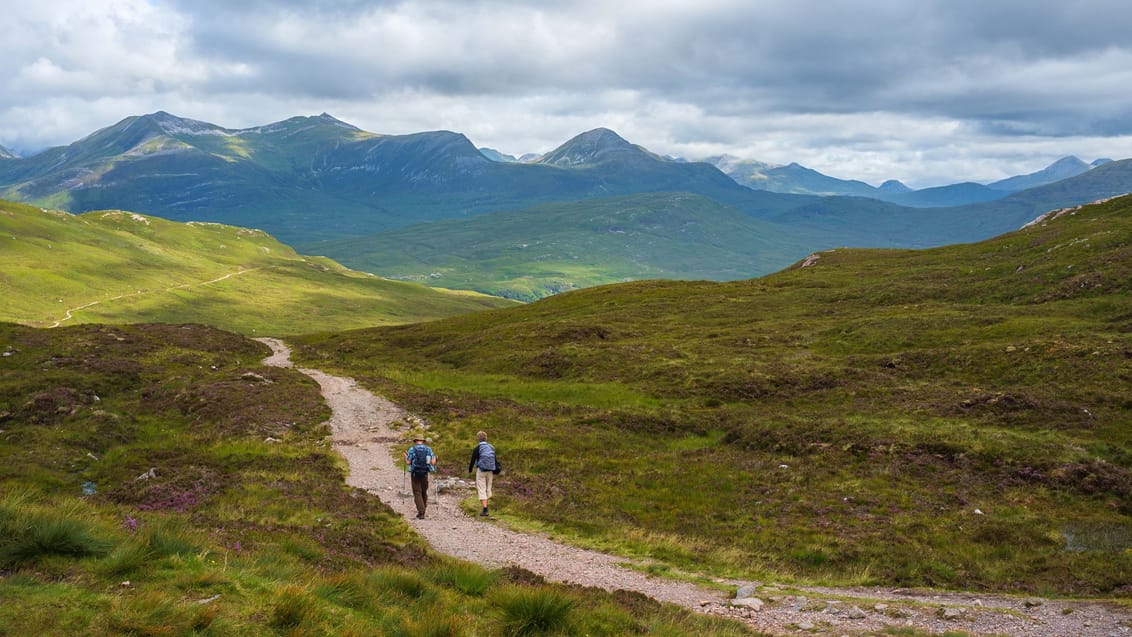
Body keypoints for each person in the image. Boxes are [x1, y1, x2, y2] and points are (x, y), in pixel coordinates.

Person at [405, 435, 436, 519]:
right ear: (423, 441)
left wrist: (405, 456)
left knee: (417, 492)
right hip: (425, 472)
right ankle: (423, 508)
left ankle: (421, 512)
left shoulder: (412, 449)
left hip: (415, 473)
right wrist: (436, 458)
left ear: (415, 441)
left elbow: (408, 462)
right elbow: (433, 462)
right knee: (423, 491)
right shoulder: (428, 449)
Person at [467, 430, 497, 516]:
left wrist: (470, 469)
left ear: (478, 439)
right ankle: (487, 504)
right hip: (490, 470)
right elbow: (495, 459)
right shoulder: (491, 447)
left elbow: (473, 460)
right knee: (488, 488)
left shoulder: (477, 448)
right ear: (486, 438)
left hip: (481, 471)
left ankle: (485, 509)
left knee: (481, 489)